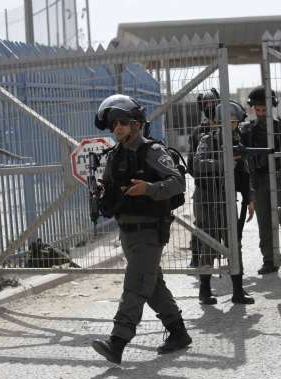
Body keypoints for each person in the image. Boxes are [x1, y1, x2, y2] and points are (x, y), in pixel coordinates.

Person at [91, 94, 191, 364]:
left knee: (135, 286)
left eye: (123, 122)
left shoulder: (152, 151)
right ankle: (179, 333)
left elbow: (177, 183)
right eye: (114, 125)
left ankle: (118, 342)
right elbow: (112, 192)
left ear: (137, 124)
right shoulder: (115, 156)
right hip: (127, 232)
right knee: (152, 285)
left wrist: (149, 189)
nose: (118, 128)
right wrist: (102, 194)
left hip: (150, 231)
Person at [193, 99, 255, 304]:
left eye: (234, 122)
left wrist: (250, 198)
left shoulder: (238, 141)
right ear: (216, 123)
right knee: (209, 244)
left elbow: (244, 173)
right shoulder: (207, 140)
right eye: (226, 122)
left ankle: (238, 289)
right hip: (208, 199)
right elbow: (199, 165)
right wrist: (224, 162)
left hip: (228, 200)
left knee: (233, 244)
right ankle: (204, 290)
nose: (230, 125)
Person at [240, 85, 281, 275]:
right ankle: (269, 259)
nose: (261, 113)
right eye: (257, 110)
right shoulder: (248, 129)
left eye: (264, 110)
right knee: (264, 221)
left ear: (272, 106)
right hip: (259, 179)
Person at [188, 88, 220, 268]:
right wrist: (206, 171)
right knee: (201, 222)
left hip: (223, 185)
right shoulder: (197, 132)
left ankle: (228, 256)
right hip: (203, 187)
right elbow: (192, 164)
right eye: (207, 105)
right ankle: (196, 256)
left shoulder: (227, 127)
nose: (211, 108)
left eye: (213, 103)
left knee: (224, 222)